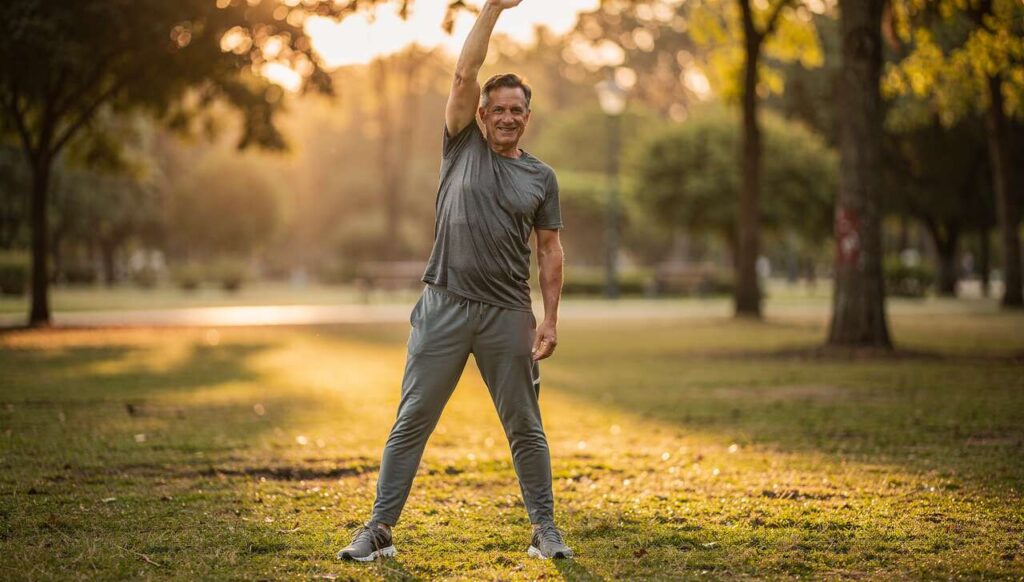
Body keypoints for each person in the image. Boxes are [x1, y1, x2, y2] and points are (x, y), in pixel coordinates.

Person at [337, 0, 573, 563]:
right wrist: (492, 7)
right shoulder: (460, 142)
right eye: (499, 109)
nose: (508, 117)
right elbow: (465, 72)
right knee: (412, 419)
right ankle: (379, 529)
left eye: (518, 109)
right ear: (482, 115)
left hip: (506, 315)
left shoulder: (541, 178)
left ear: (526, 117)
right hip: (443, 304)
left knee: (525, 426)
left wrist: (551, 318)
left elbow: (550, 249)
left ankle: (544, 529)